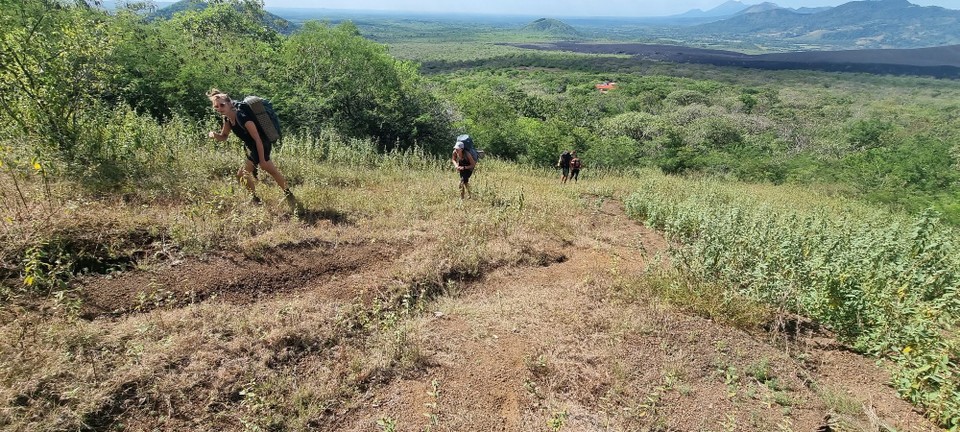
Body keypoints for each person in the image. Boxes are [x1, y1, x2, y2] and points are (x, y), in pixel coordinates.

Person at [206, 89, 292, 205]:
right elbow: (224, 136)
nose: (220, 109)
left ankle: (256, 199)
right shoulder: (227, 118)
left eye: (222, 105)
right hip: (253, 146)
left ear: (230, 103)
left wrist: (261, 160)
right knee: (271, 171)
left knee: (242, 174)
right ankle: (288, 195)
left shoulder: (243, 117)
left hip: (261, 144)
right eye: (217, 107)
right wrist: (214, 135)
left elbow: (257, 139)